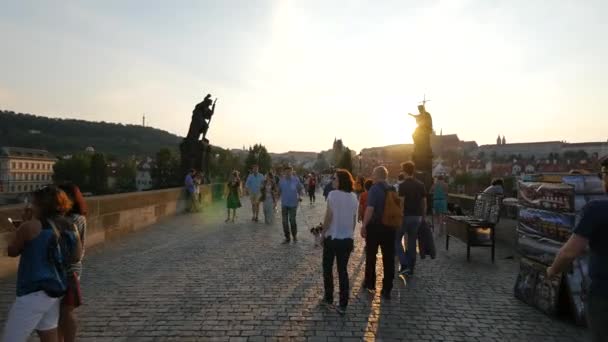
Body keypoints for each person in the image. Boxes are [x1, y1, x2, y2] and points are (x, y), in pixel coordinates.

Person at [2, 186, 82, 342]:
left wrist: (22, 226)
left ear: (41, 206)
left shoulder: (30, 226)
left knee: (11, 338)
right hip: (56, 289)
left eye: (34, 203)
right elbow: (76, 256)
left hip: (33, 292)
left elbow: (12, 251)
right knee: (49, 336)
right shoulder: (71, 226)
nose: (32, 206)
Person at [547, 160, 608, 342]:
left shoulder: (597, 209)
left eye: (603, 174)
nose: (602, 179)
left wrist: (552, 270)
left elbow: (569, 253)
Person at [320, 169, 358, 315]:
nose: (332, 181)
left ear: (341, 180)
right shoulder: (354, 197)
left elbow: (328, 217)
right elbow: (354, 221)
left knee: (328, 268)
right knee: (343, 271)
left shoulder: (333, 194)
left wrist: (322, 234)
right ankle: (343, 304)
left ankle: (329, 298)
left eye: (334, 178)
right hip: (347, 240)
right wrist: (350, 234)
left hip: (333, 238)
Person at [57, 183, 88, 342]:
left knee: (65, 310)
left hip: (69, 269)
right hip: (70, 268)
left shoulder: (72, 219)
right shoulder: (78, 217)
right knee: (62, 311)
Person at [361, 166, 395, 300]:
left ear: (377, 175)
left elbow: (370, 209)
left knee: (371, 255)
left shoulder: (374, 189)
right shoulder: (392, 188)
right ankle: (387, 288)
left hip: (375, 227)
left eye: (373, 173)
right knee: (389, 258)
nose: (372, 175)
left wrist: (364, 225)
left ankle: (370, 283)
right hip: (390, 227)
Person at [397, 161, 427, 276]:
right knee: (412, 242)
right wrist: (423, 216)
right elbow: (424, 202)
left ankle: (404, 263)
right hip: (417, 217)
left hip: (406, 216)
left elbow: (402, 203)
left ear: (404, 171)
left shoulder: (403, 185)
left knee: (396, 239)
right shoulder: (420, 184)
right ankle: (411, 268)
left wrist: (400, 216)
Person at [278, 166, 303, 244]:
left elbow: (300, 189)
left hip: (293, 204)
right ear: (284, 172)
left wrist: (300, 196)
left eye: (289, 171)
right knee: (284, 222)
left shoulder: (296, 180)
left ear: (292, 172)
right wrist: (275, 198)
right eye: (286, 172)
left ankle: (294, 236)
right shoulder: (281, 181)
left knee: (292, 220)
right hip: (284, 204)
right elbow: (279, 191)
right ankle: (287, 237)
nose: (288, 173)